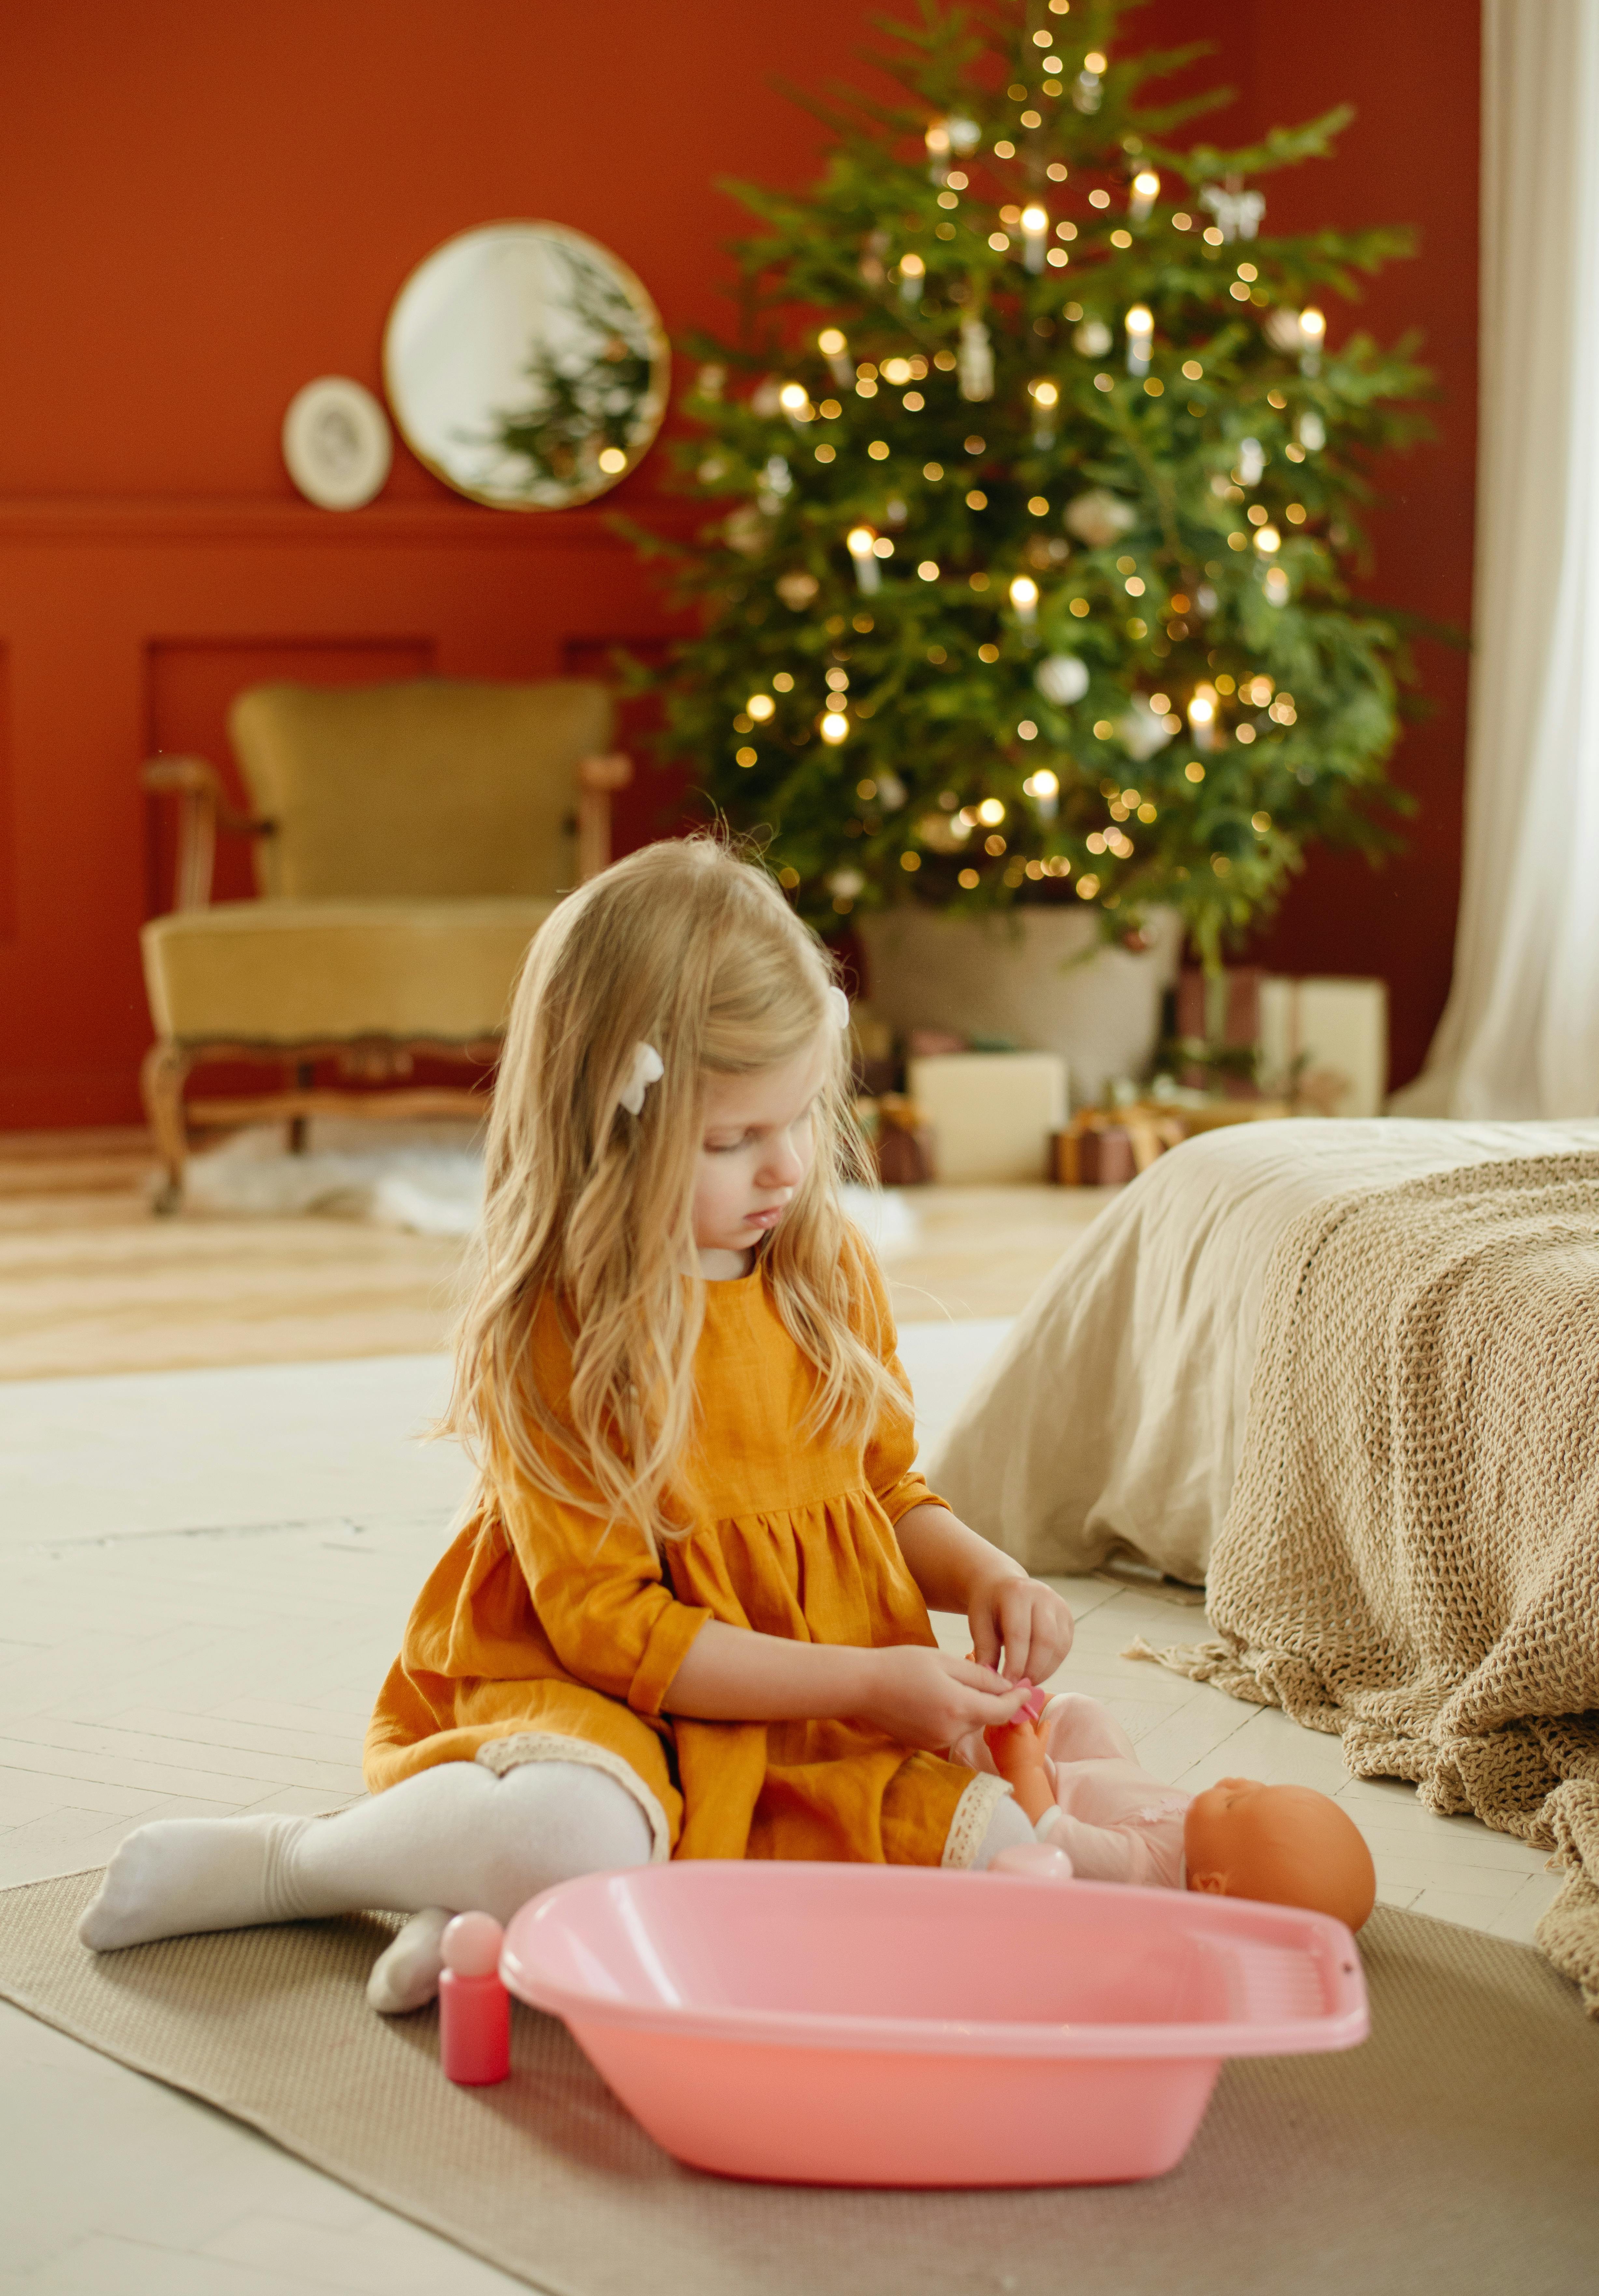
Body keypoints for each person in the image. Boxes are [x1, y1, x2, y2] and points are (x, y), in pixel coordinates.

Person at [79, 838, 1075, 2007]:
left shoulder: (822, 1268)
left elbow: (884, 1492)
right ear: (614, 1128)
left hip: (800, 1691)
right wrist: (862, 1687)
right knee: (577, 1837)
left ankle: (471, 1901)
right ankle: (302, 1860)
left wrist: (983, 1571)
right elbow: (615, 1633)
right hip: (591, 1685)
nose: (788, 1171)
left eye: (799, 1120)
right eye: (731, 1141)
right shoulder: (566, 1324)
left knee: (995, 1848)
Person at [962, 1692, 1375, 1930]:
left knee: (996, 1810)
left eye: (1234, 1803)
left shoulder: (1139, 1869)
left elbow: (1045, 1833)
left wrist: (1024, 1765)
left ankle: (968, 1738)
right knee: (1087, 1715)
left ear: (1212, 1885)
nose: (1237, 1782)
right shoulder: (1208, 1843)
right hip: (1104, 1776)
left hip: (1038, 1789)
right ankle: (1022, 1709)